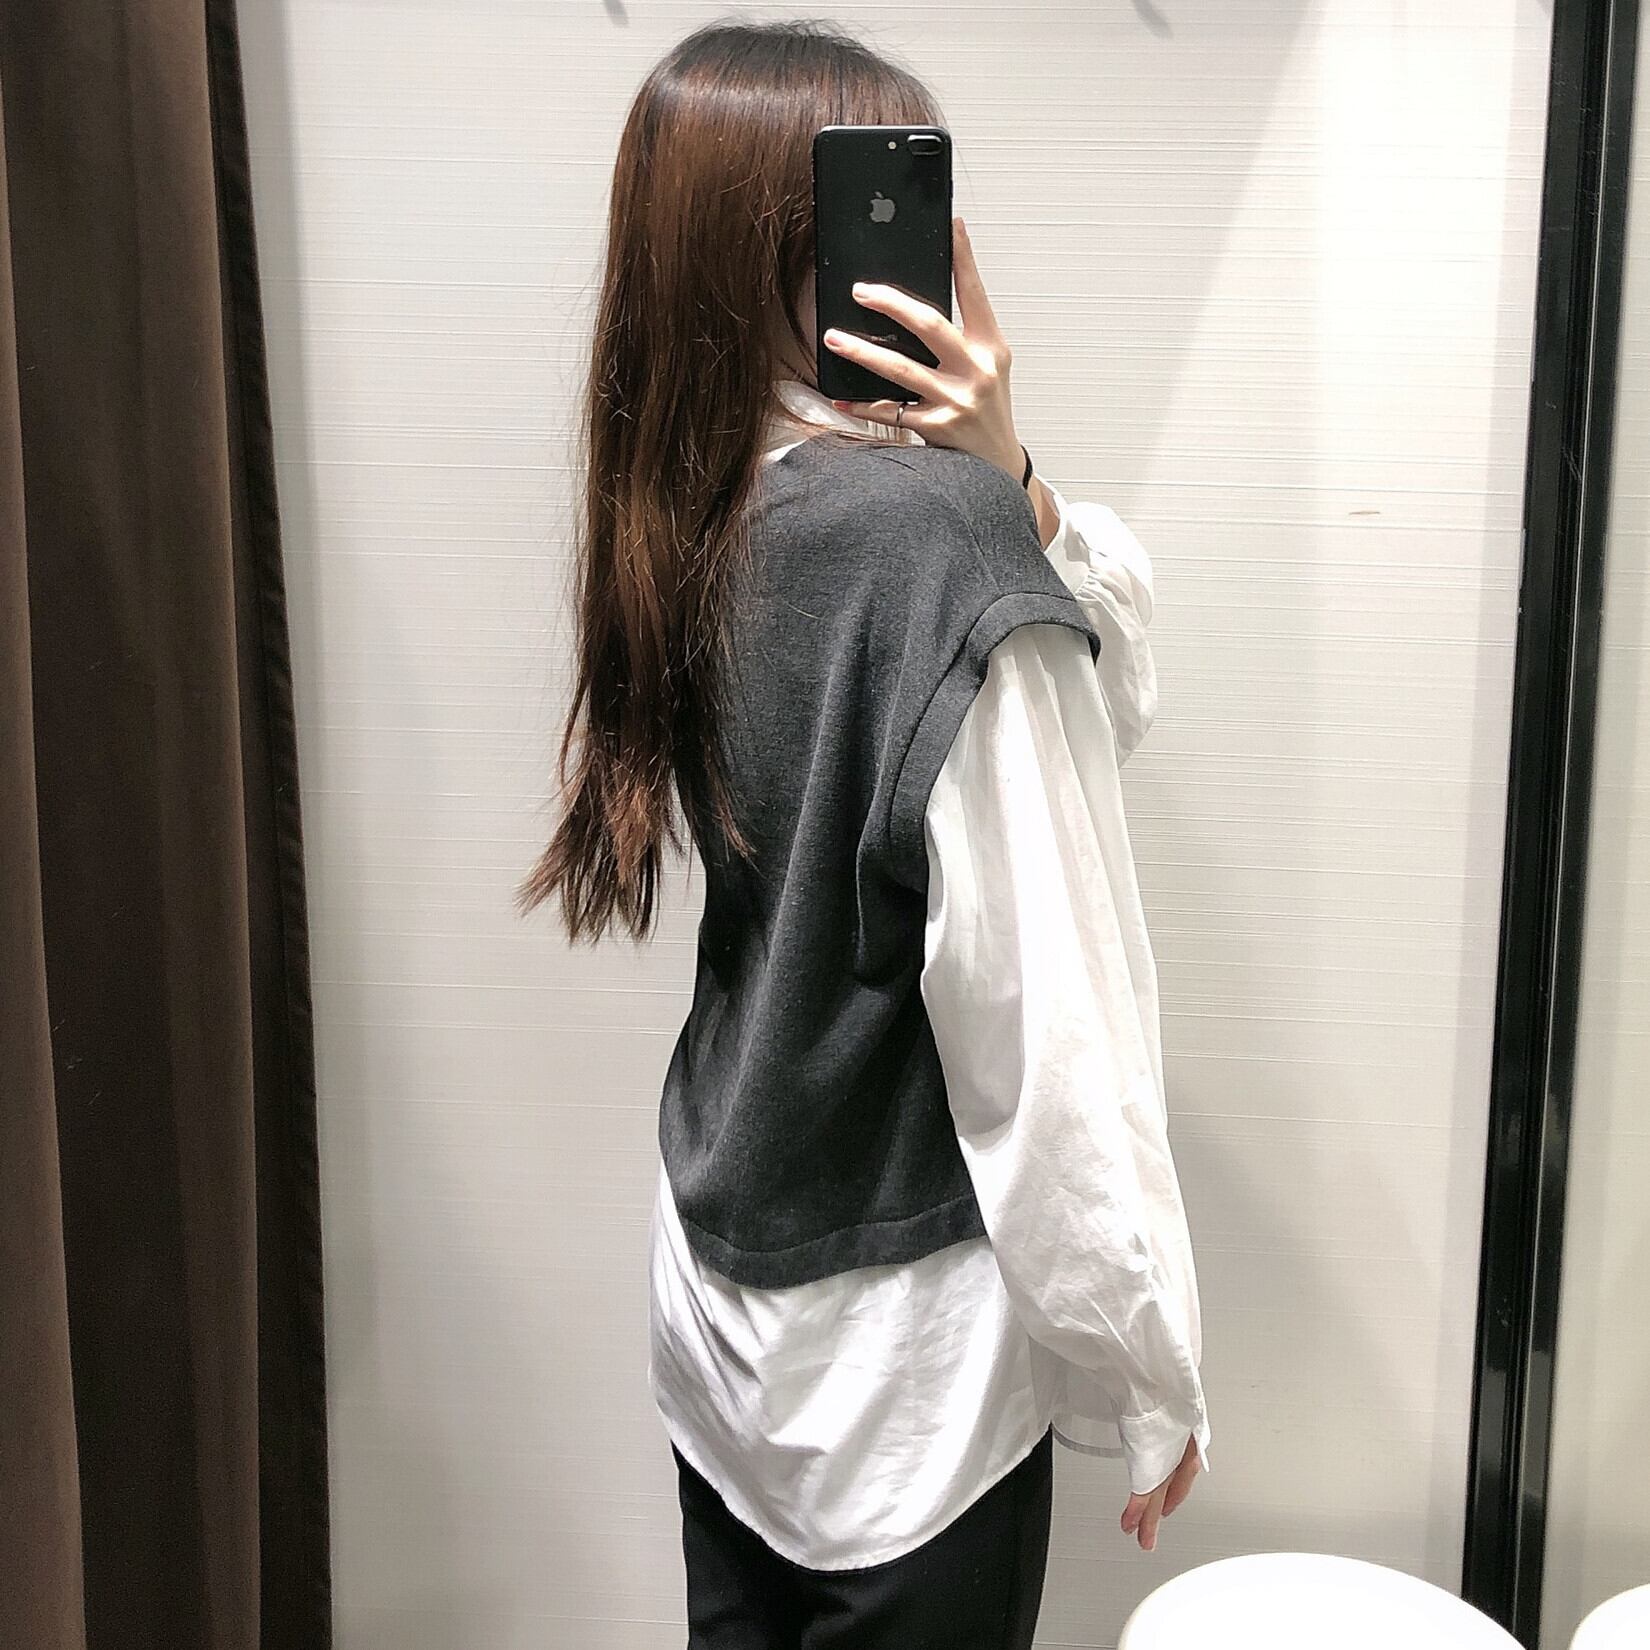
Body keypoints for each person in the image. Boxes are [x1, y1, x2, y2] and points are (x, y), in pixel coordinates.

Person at [516, 17, 1210, 1649]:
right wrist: (1147, 1355)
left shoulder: (676, 498)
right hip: (905, 1373)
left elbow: (1073, 692)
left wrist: (1007, 479)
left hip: (721, 1295)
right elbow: (1042, 1014)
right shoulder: (934, 548)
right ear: (796, 249)